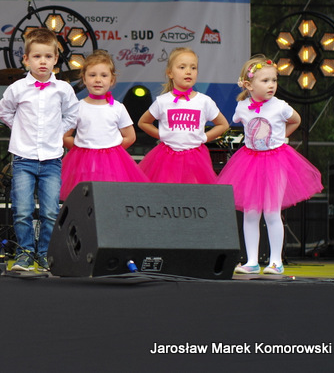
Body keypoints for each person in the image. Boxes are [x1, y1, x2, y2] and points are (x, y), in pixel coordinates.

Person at [217, 55, 322, 275]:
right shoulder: (242, 107)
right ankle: (251, 261)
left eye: (274, 80)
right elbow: (237, 121)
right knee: (251, 213)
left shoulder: (280, 106)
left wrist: (281, 137)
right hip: (250, 162)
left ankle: (275, 261)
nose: (271, 85)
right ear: (249, 85)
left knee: (272, 212)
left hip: (276, 160)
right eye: (265, 81)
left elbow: (296, 120)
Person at [0, 28, 79, 272]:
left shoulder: (63, 89)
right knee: (22, 210)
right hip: (23, 159)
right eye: (36, 56)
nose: (42, 61)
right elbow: (4, 111)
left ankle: (45, 254)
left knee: (50, 211)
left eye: (48, 56)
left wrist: (57, 132)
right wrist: (20, 129)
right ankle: (24, 253)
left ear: (56, 59)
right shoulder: (17, 88)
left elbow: (72, 115)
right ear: (26, 59)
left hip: (51, 159)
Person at [61, 49, 148, 200]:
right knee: (84, 198)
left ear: (112, 80)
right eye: (92, 75)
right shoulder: (78, 107)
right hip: (84, 164)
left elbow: (130, 136)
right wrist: (80, 149)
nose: (98, 80)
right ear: (84, 79)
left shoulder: (118, 108)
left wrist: (112, 151)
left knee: (110, 198)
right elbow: (65, 136)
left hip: (112, 165)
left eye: (104, 75)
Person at [137, 47, 229, 183]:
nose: (188, 71)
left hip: (195, 158)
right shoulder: (163, 101)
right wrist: (162, 135)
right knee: (167, 189)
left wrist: (204, 137)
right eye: (182, 67)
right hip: (167, 157)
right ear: (170, 73)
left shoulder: (204, 101)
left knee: (193, 190)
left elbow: (223, 124)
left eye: (193, 67)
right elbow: (143, 122)